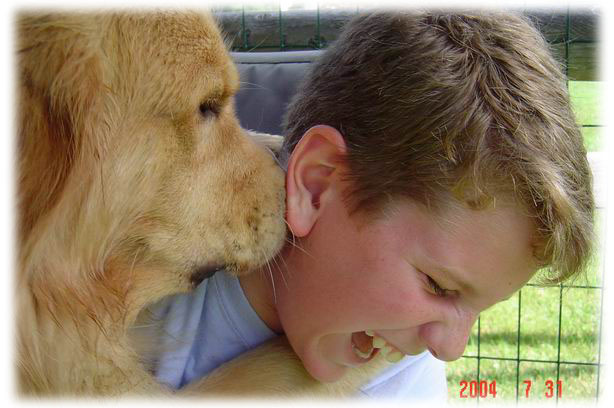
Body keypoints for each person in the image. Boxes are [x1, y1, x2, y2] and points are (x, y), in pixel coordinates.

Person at [138, 10, 594, 400]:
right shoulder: (130, 299)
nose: (450, 349)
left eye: (478, 311)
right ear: (316, 185)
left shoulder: (400, 377)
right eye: (438, 286)